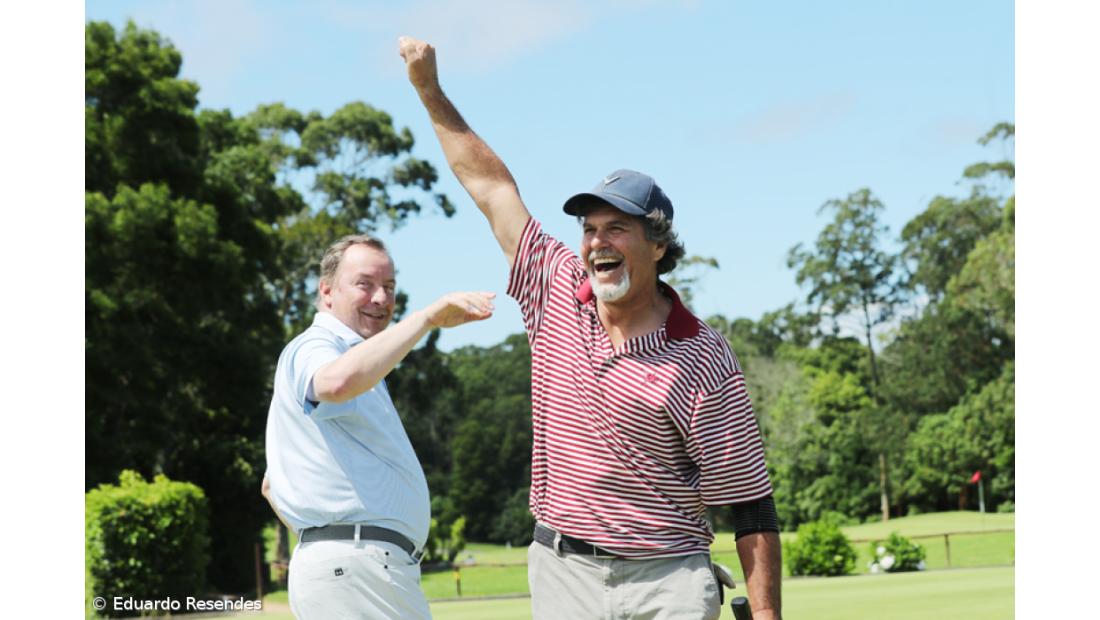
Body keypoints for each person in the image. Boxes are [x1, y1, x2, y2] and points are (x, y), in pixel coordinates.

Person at [399, 37, 783, 620]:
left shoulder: (704, 357)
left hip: (668, 581)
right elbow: (491, 187)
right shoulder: (554, 289)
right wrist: (428, 89)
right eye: (589, 229)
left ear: (658, 246)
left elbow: (750, 506)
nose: (597, 242)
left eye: (616, 229)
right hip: (562, 575)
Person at [262, 233, 495, 620]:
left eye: (389, 287)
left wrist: (322, 540)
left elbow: (272, 485)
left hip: (353, 566)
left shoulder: (353, 358)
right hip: (359, 567)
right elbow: (335, 383)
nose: (381, 299)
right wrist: (426, 319)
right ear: (327, 292)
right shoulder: (316, 345)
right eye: (364, 284)